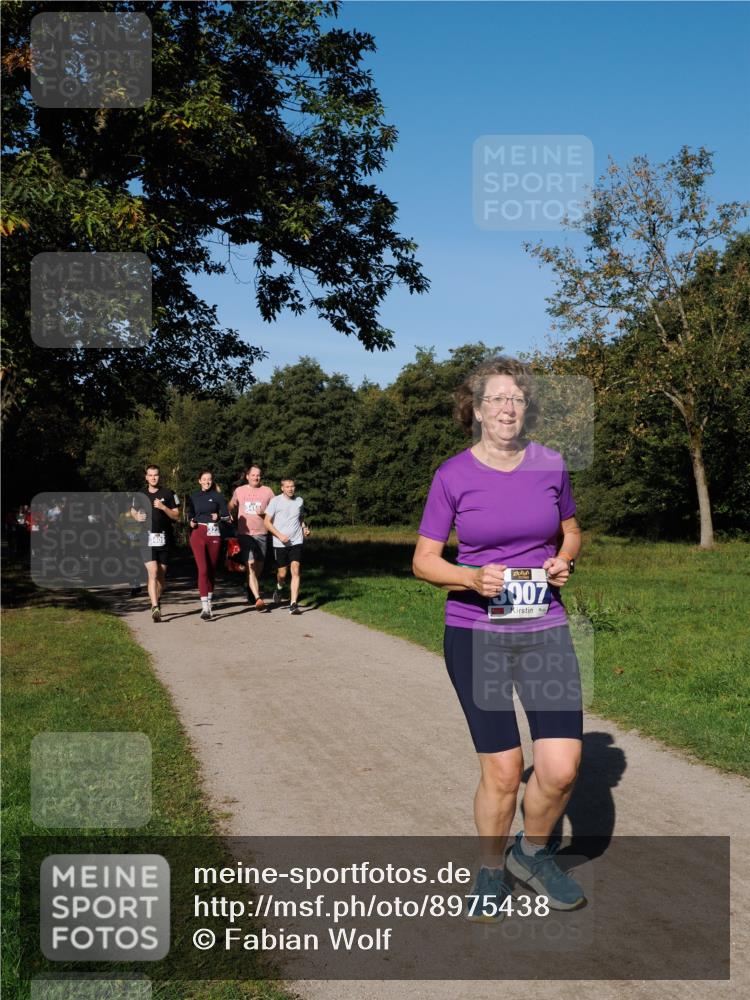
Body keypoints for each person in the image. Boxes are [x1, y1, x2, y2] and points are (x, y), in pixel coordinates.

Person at [412, 356, 585, 919]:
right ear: (477, 410)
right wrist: (469, 577)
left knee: (560, 767)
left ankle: (530, 854)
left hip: (544, 628)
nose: (507, 407)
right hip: (476, 632)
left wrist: (564, 560)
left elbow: (571, 531)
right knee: (506, 769)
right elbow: (423, 560)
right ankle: (490, 870)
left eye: (516, 398)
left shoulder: (551, 465)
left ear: (525, 408)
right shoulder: (452, 475)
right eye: (496, 398)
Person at [130, 466, 180, 622]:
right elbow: (133, 511)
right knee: (153, 572)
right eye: (150, 475)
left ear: (159, 476)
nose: (153, 478)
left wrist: (164, 507)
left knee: (161, 574)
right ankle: (155, 606)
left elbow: (177, 515)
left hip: (164, 538)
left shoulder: (169, 493)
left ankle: (158, 599)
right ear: (146, 477)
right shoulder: (140, 494)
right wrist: (137, 517)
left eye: (155, 475)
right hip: (146, 537)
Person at [228, 465, 275, 612]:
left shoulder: (268, 491)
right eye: (253, 475)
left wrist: (264, 513)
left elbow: (275, 510)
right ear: (247, 476)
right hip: (245, 534)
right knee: (250, 564)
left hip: (262, 533)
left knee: (259, 565)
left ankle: (249, 587)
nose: (256, 477)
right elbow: (231, 505)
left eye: (258, 475)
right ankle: (258, 598)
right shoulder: (239, 491)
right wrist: (228, 514)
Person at [187, 469, 230, 621]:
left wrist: (219, 516)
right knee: (203, 569)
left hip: (213, 533)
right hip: (198, 533)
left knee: (211, 570)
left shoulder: (218, 496)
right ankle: (205, 607)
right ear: (199, 481)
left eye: (209, 479)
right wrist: (191, 521)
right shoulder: (194, 497)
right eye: (204, 479)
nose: (207, 481)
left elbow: (227, 516)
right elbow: (190, 514)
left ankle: (209, 602)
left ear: (212, 481)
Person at [264, 478, 310, 615]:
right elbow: (267, 522)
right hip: (280, 543)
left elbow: (300, 518)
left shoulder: (299, 501)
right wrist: (279, 535)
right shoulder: (275, 501)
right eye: (288, 486)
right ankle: (279, 587)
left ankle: (293, 604)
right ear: (282, 488)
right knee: (282, 574)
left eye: (292, 486)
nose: (291, 489)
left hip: (296, 541)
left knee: (295, 569)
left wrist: (304, 528)